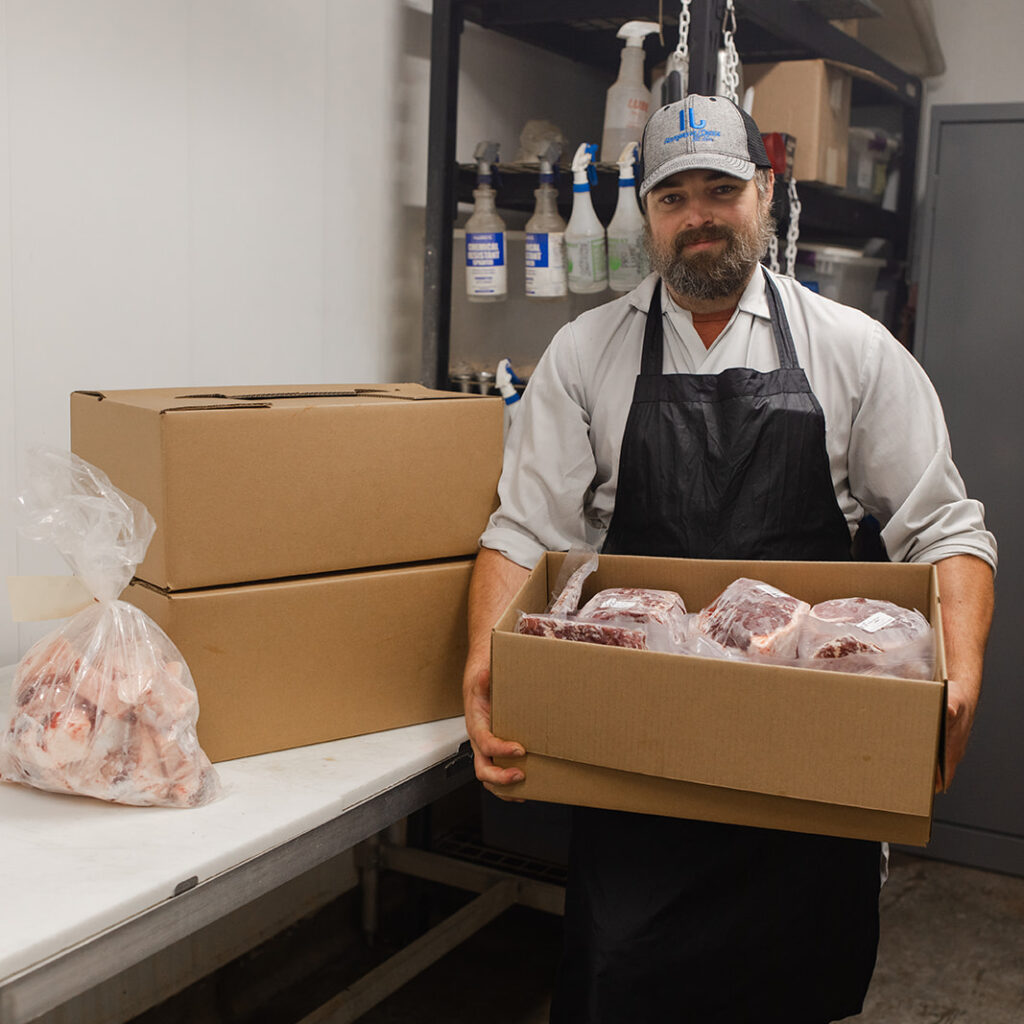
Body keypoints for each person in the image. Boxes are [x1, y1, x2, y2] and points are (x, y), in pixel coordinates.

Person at [462, 94, 996, 1023]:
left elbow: (945, 528)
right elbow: (526, 531)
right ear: (649, 212)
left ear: (764, 192)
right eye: (674, 197)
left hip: (808, 761)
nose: (698, 215)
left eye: (721, 189)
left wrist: (959, 677)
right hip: (639, 752)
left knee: (792, 988)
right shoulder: (587, 353)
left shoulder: (852, 351)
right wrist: (484, 663)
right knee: (625, 980)